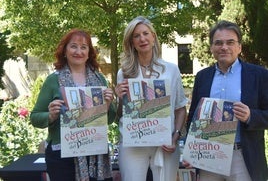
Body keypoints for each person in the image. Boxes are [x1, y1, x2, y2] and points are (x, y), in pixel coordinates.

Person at [185, 20, 268, 181]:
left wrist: (251, 115)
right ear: (211, 48)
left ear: (239, 47)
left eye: (230, 42)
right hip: (208, 156)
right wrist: (191, 151)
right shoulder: (202, 76)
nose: (224, 47)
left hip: (243, 157)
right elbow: (193, 117)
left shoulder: (259, 75)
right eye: (218, 43)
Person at [30, 29, 115, 181]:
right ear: (64, 50)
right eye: (73, 46)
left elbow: (108, 120)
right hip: (62, 156)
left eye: (84, 47)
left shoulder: (100, 79)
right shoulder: (53, 80)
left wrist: (108, 103)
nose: (78, 51)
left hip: (94, 153)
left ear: (89, 53)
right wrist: (50, 115)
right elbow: (35, 117)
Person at [115, 16, 188, 181]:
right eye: (136, 36)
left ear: (153, 37)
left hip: (165, 144)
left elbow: (180, 108)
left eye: (145, 33)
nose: (142, 39)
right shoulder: (124, 72)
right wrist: (119, 98)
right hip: (133, 145)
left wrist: (175, 137)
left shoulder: (171, 70)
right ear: (131, 42)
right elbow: (120, 115)